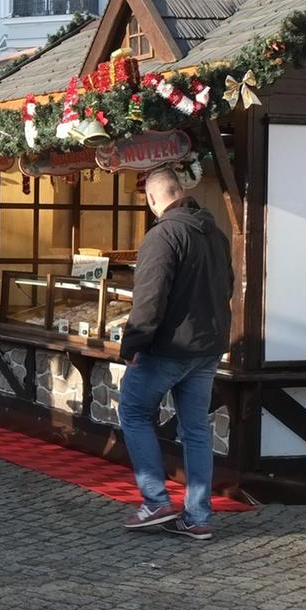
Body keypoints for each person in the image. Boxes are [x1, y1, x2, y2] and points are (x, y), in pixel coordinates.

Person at [115, 166, 234, 541]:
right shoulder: (215, 234)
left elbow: (149, 298)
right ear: (180, 191)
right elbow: (227, 287)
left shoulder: (162, 235)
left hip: (168, 348)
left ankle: (156, 501)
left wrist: (133, 344)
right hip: (207, 347)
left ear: (152, 199)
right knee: (196, 430)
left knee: (133, 411)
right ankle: (197, 517)